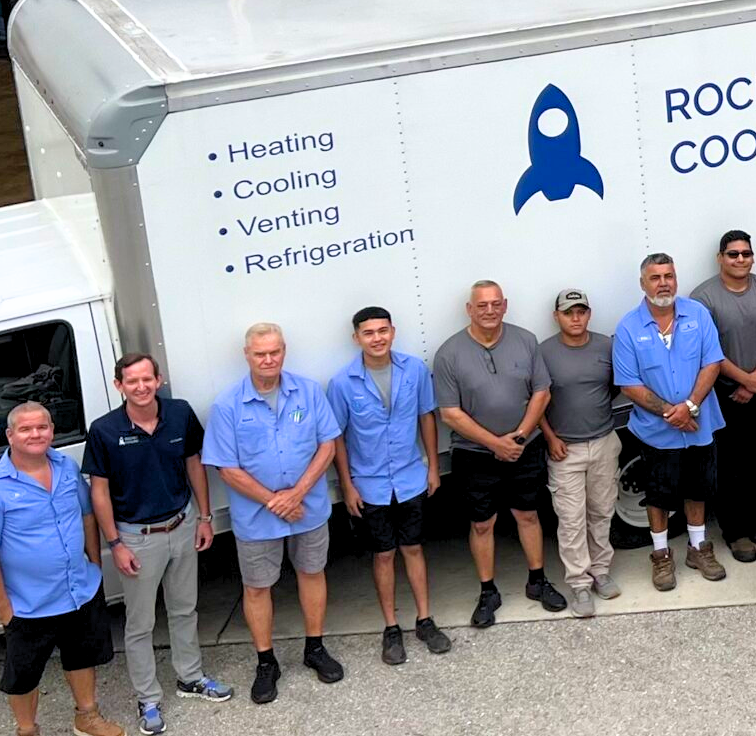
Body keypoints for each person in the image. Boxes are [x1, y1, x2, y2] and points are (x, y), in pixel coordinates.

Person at [0, 401, 126, 736]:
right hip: (28, 604)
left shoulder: (67, 468)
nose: (35, 434)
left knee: (81, 656)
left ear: (51, 431)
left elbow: (87, 515)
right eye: (25, 429)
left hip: (78, 590)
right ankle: (27, 735)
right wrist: (3, 607)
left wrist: (94, 564)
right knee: (23, 675)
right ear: (10, 436)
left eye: (42, 427)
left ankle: (87, 716)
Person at [83, 353, 230, 736]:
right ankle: (147, 698)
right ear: (119, 386)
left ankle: (191, 678)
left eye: (147, 379)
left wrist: (205, 517)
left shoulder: (180, 414)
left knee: (184, 609)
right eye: (132, 381)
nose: (141, 387)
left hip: (182, 525)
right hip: (136, 538)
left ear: (159, 379)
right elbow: (99, 492)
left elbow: (194, 464)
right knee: (141, 623)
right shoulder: (103, 430)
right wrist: (115, 543)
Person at [205, 322, 344, 704]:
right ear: (246, 355)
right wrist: (274, 500)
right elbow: (226, 468)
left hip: (307, 508)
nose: (268, 360)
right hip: (257, 515)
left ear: (284, 351)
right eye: (260, 353)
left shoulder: (309, 392)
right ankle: (266, 662)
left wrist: (297, 493)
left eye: (275, 352)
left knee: (312, 573)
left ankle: (314, 648)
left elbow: (327, 445)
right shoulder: (227, 405)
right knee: (256, 587)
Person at [433, 281, 566, 619]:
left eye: (495, 304)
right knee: (482, 524)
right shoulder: (449, 353)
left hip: (525, 447)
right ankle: (488, 592)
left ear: (505, 305)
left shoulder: (525, 340)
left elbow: (542, 392)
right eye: (482, 306)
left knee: (529, 514)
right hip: (475, 454)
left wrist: (519, 437)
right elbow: (450, 413)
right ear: (469, 309)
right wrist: (495, 443)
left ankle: (537, 581)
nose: (489, 311)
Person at [327, 307, 449, 666]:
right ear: (357, 338)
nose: (377, 338)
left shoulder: (413, 370)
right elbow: (336, 439)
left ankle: (425, 620)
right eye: (369, 333)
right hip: (370, 485)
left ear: (393, 332)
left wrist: (433, 466)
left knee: (413, 548)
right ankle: (392, 628)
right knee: (383, 554)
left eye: (383, 330)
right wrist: (347, 486)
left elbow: (426, 417)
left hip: (410, 477)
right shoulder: (342, 383)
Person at [613, 252, 731, 591]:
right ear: (642, 283)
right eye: (655, 277)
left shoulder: (698, 314)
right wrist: (672, 413)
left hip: (700, 424)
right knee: (659, 495)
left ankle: (698, 549)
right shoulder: (629, 328)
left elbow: (713, 362)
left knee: (698, 488)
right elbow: (628, 383)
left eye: (669, 276)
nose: (663, 283)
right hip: (656, 431)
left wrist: (690, 406)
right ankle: (662, 556)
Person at [691, 230, 756, 561]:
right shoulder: (703, 297)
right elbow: (708, 351)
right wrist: (743, 380)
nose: (740, 260)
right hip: (723, 395)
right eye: (733, 254)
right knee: (730, 464)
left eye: (746, 254)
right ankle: (736, 533)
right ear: (720, 258)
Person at [537, 289, 624, 618]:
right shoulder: (544, 352)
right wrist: (549, 437)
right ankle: (579, 584)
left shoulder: (605, 346)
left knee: (601, 513)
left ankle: (601, 572)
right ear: (556, 316)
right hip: (565, 449)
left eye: (581, 311)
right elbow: (536, 399)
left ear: (589, 313)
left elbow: (615, 386)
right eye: (568, 312)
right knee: (571, 520)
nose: (575, 318)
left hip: (603, 441)